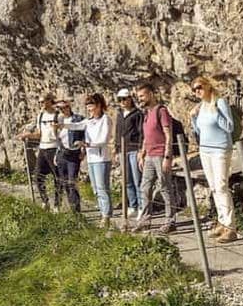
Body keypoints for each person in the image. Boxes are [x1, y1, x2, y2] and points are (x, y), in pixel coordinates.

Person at [190, 76, 237, 243]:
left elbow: (229, 127)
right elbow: (199, 131)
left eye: (199, 87)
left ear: (208, 86)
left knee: (222, 185)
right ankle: (222, 222)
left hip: (220, 149)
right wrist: (194, 118)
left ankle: (230, 227)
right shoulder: (201, 106)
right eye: (194, 90)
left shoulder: (219, 103)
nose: (197, 92)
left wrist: (215, 113)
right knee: (214, 187)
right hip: (205, 150)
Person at [134, 82, 176, 234]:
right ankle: (145, 220)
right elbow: (147, 136)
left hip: (160, 154)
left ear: (151, 94)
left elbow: (168, 134)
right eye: (139, 96)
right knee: (145, 187)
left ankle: (170, 220)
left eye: (142, 95)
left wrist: (167, 156)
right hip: (150, 155)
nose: (140, 99)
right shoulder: (147, 114)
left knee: (165, 187)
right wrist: (142, 152)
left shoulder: (161, 111)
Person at [67, 93, 113, 227]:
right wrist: (60, 125)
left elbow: (104, 140)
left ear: (99, 105)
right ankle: (103, 212)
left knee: (102, 187)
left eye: (91, 105)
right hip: (92, 159)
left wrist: (86, 145)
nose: (89, 108)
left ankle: (106, 216)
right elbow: (76, 126)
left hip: (102, 158)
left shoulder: (106, 119)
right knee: (95, 188)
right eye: (87, 106)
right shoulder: (89, 121)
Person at [17, 92, 61, 212]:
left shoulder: (58, 115)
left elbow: (62, 133)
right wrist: (27, 135)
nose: (40, 104)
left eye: (42, 101)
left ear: (49, 101)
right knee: (38, 176)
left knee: (57, 177)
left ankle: (57, 205)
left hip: (55, 148)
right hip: (43, 147)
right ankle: (45, 201)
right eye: (39, 102)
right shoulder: (40, 116)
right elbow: (39, 134)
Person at [113, 88, 144, 218]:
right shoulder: (120, 114)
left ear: (130, 99)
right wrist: (115, 148)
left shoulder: (137, 114)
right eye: (120, 99)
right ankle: (133, 205)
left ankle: (142, 206)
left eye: (124, 99)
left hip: (133, 149)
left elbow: (142, 132)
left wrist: (141, 149)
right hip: (122, 150)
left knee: (137, 179)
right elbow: (117, 132)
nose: (122, 102)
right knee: (127, 180)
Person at [54, 98, 85, 213]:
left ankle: (77, 211)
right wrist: (56, 154)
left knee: (72, 181)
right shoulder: (58, 120)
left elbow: (84, 135)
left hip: (73, 154)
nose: (63, 110)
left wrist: (83, 150)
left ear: (69, 106)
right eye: (60, 108)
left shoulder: (78, 119)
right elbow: (58, 139)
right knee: (65, 182)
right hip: (62, 153)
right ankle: (72, 209)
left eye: (64, 107)